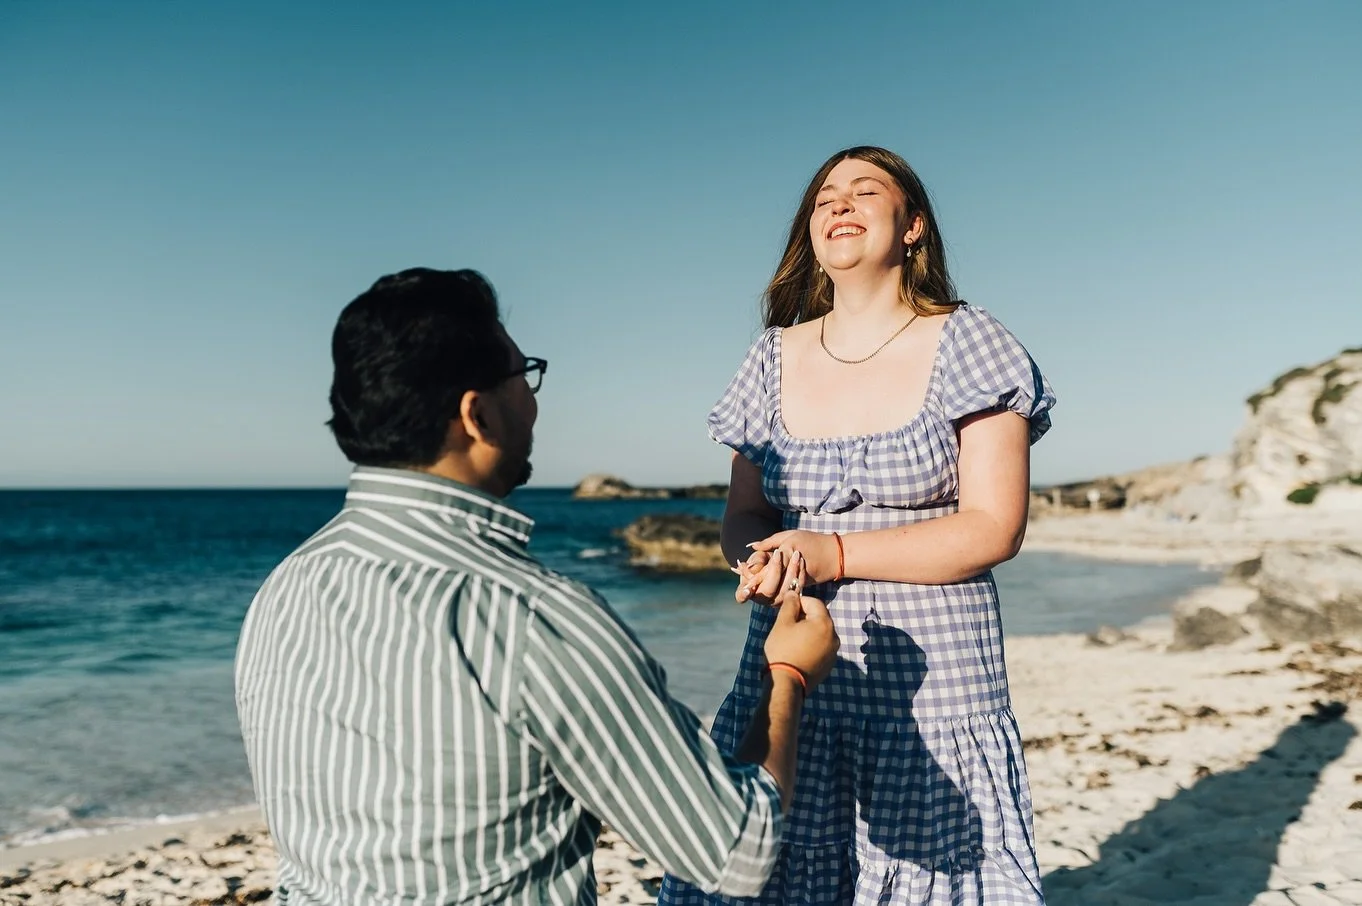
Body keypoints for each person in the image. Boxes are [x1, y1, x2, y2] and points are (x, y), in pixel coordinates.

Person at [233, 267, 840, 905]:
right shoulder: (531, 617)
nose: (533, 399)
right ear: (478, 415)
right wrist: (788, 678)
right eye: (524, 376)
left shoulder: (285, 585)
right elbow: (739, 851)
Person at [658, 148, 1056, 905]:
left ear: (913, 226)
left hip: (936, 678)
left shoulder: (971, 342)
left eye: (864, 191)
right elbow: (744, 517)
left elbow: (993, 527)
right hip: (790, 658)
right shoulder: (771, 356)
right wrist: (762, 562)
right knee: (768, 862)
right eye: (823, 198)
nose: (839, 204)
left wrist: (830, 550)